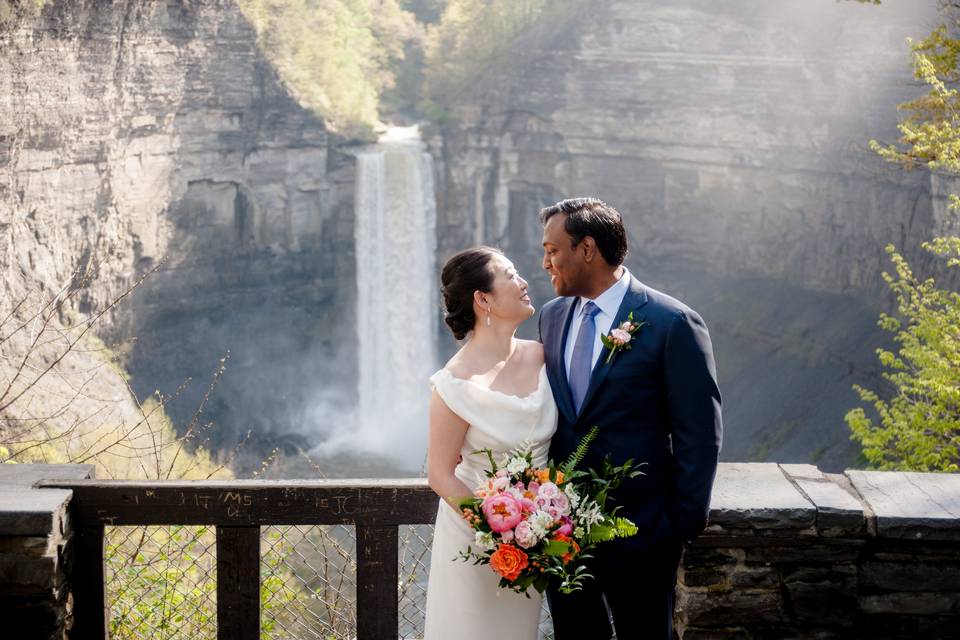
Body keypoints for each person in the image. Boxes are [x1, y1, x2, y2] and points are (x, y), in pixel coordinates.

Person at [539, 197, 722, 639]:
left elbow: (699, 434)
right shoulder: (551, 317)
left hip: (644, 534)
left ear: (587, 249)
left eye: (552, 249)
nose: (545, 262)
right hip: (563, 534)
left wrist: (678, 525)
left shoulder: (672, 322)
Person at [423, 246, 557, 640]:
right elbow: (440, 475)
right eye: (510, 275)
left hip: (533, 539)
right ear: (483, 299)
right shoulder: (453, 384)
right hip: (476, 542)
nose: (524, 282)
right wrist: (501, 530)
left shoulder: (544, 357)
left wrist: (533, 532)